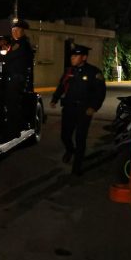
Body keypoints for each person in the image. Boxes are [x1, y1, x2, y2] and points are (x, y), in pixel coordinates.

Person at [50, 44, 106, 176]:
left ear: (84, 57)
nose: (72, 58)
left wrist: (94, 107)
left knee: (80, 138)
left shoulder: (94, 72)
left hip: (84, 110)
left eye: (76, 56)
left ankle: (77, 167)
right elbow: (61, 86)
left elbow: (100, 92)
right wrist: (55, 99)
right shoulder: (69, 71)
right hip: (69, 108)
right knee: (65, 136)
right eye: (72, 56)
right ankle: (70, 150)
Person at [2, 20, 34, 140]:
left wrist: (0, 53)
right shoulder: (16, 43)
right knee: (11, 104)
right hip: (14, 78)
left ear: (22, 31)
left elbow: (9, 57)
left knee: (13, 105)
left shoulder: (22, 44)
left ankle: (14, 131)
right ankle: (12, 129)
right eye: (13, 30)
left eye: (17, 30)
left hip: (17, 79)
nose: (14, 33)